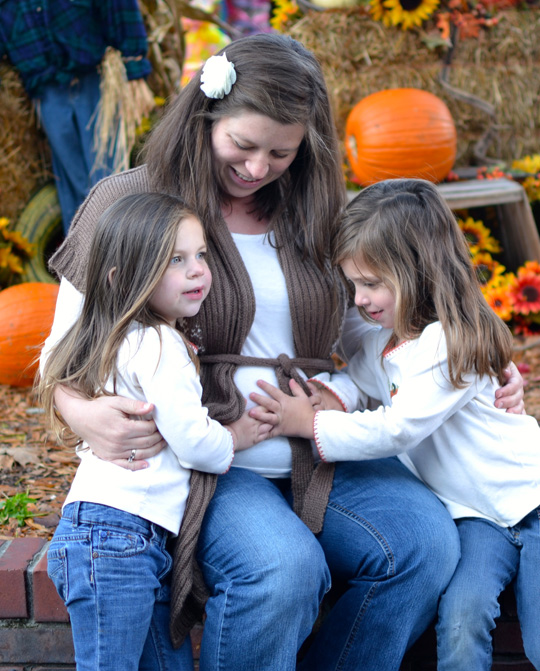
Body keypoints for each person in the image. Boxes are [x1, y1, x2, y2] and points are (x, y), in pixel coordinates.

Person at [43, 35, 524, 671]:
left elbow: (369, 326)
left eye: (281, 152)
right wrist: (81, 413)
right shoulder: (132, 203)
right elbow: (63, 352)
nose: (257, 167)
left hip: (318, 444)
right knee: (283, 571)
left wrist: (466, 360)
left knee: (424, 548)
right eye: (242, 145)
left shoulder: (319, 209)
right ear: (206, 113)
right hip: (210, 459)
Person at [250, 178, 540, 671]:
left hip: (531, 502)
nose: (359, 300)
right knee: (461, 620)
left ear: (418, 270)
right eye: (353, 284)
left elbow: (396, 429)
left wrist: (311, 425)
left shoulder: (448, 343)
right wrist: (331, 396)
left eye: (371, 284)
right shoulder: (386, 338)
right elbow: (360, 380)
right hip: (472, 517)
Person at [39, 192, 269, 670]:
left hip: (122, 538)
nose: (197, 270)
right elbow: (195, 444)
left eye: (201, 255)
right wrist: (240, 435)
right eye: (175, 261)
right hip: (116, 538)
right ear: (124, 279)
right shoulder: (161, 344)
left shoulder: (116, 338)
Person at [0, 0, 152, 234]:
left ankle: (122, 247)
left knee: (106, 172)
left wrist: (134, 62)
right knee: (72, 181)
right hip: (45, 87)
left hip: (94, 76)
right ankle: (81, 258)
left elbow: (120, 7)